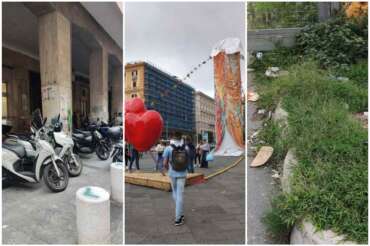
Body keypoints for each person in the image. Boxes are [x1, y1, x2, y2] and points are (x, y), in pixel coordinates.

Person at [163, 131, 187, 226]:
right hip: (182, 174)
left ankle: (179, 215)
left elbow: (164, 163)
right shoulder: (185, 147)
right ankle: (178, 217)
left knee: (175, 192)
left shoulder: (168, 148)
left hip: (172, 174)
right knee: (180, 195)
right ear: (181, 137)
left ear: (173, 137)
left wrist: (168, 169)